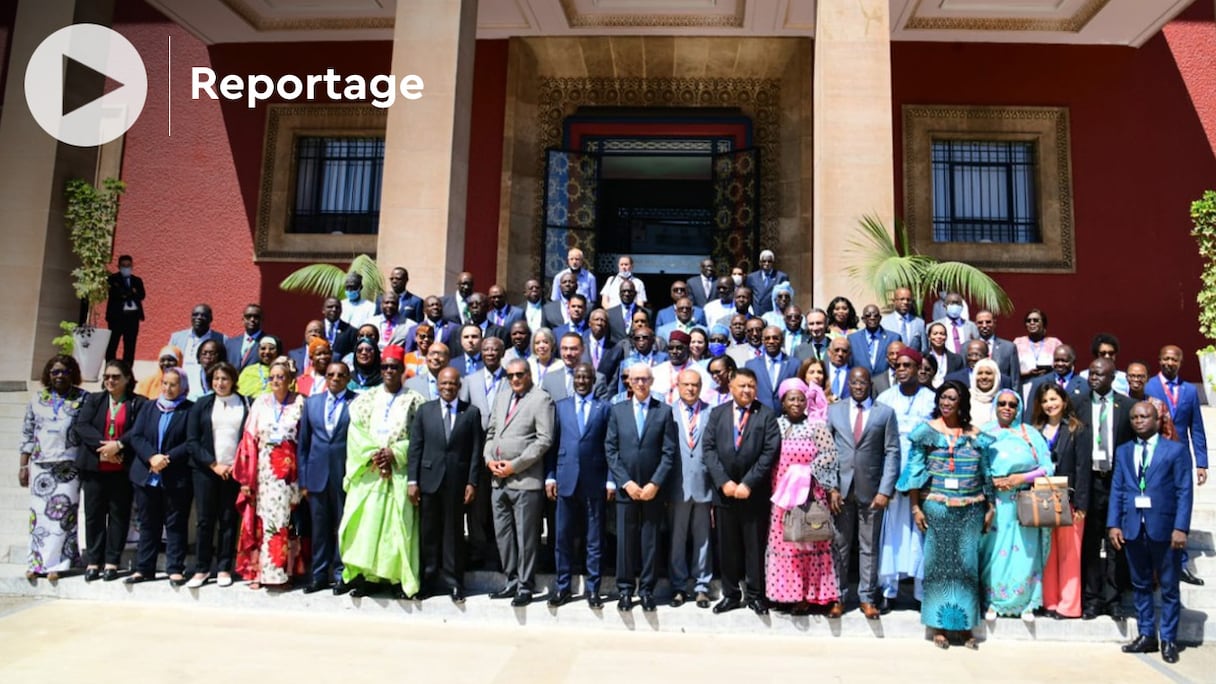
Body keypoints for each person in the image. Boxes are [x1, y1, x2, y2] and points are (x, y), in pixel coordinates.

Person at [898, 380, 995, 649]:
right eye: (943, 397)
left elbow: (986, 473)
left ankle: (964, 628)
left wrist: (991, 507)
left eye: (952, 398)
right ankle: (938, 626)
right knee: (939, 567)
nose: (946, 402)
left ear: (962, 402)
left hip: (971, 510)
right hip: (936, 508)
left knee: (966, 567)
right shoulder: (926, 432)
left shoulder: (976, 435)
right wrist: (916, 507)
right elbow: (915, 471)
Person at [338, 345, 425, 599]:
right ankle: (368, 577)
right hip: (370, 473)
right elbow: (356, 434)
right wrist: (375, 455)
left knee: (397, 529)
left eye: (394, 367)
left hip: (399, 475)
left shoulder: (416, 401)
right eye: (385, 366)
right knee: (366, 526)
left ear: (403, 370)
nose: (389, 371)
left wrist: (395, 453)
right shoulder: (365, 400)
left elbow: (420, 438)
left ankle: (397, 578)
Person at [1109, 402, 1192, 665]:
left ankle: (1168, 638)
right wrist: (1114, 524)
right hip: (1133, 527)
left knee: (1168, 587)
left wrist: (1181, 528)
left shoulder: (1176, 451)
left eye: (1145, 416)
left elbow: (1184, 491)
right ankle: (1147, 635)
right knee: (1140, 585)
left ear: (1157, 420)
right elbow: (1118, 490)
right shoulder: (1123, 452)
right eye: (1134, 417)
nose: (1139, 421)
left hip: (1166, 530)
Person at [702, 368, 781, 615]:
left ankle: (756, 595)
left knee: (754, 546)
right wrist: (724, 482)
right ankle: (731, 594)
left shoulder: (766, 415)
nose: (747, 390)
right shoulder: (717, 414)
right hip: (725, 493)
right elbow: (709, 449)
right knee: (727, 547)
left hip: (753, 494)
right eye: (742, 386)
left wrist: (748, 483)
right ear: (731, 387)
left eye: (751, 386)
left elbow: (770, 452)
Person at [828, 367, 901, 619]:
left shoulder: (885, 413)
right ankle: (837, 596)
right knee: (840, 544)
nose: (858, 386)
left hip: (872, 492)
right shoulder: (834, 410)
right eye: (854, 382)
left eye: (863, 382)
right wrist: (831, 487)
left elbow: (892, 452)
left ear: (870, 384)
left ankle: (867, 598)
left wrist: (885, 490)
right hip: (841, 491)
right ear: (848, 384)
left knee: (869, 547)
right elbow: (826, 452)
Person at [407, 367, 484, 603]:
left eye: (452, 384)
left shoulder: (471, 413)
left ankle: (454, 583)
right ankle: (428, 581)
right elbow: (415, 448)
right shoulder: (424, 411)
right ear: (437, 386)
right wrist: (412, 481)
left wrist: (472, 481)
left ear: (459, 386)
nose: (448, 388)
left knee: (454, 534)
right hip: (429, 480)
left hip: (457, 482)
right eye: (443, 384)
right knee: (428, 533)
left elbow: (475, 452)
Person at [604, 364, 676, 611]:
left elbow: (669, 452)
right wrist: (627, 482)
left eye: (645, 379)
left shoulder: (664, 412)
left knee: (650, 541)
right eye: (636, 379)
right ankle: (625, 590)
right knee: (625, 543)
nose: (641, 383)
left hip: (653, 490)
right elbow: (611, 450)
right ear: (629, 383)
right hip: (628, 489)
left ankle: (646, 590)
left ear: (652, 381)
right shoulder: (617, 411)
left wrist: (655, 483)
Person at [767, 378, 841, 615]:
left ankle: (809, 596)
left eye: (801, 399)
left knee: (809, 544)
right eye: (792, 399)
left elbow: (830, 455)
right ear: (783, 402)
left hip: (810, 496)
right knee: (786, 545)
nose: (797, 403)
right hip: (782, 497)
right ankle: (786, 594)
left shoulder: (816, 427)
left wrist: (807, 471)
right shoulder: (775, 425)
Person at [484, 358, 554, 606]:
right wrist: (489, 459)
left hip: (524, 480)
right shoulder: (502, 397)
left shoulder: (541, 399)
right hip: (498, 480)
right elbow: (492, 433)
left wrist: (515, 465)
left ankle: (526, 585)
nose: (515, 379)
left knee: (526, 537)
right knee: (503, 535)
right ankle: (511, 580)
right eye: (510, 375)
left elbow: (544, 440)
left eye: (519, 374)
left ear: (529, 374)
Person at [979, 389, 1054, 621]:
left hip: (1023, 503)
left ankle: (1026, 604)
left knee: (1025, 553)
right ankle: (992, 602)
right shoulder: (984, 433)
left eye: (1012, 404)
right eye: (1002, 403)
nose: (1007, 408)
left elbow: (1047, 467)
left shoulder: (1029, 434)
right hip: (995, 504)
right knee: (994, 553)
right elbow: (974, 464)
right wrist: (992, 481)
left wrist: (1021, 478)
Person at [233, 356, 305, 590]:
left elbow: (306, 440)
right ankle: (261, 572)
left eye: (281, 377)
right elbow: (248, 441)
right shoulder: (260, 403)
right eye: (272, 377)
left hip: (290, 475)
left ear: (290, 380)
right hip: (264, 474)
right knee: (263, 521)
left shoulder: (300, 403)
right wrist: (246, 478)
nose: (276, 381)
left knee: (287, 522)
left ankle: (287, 571)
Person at [1071, 357, 1134, 620]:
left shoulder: (1127, 406)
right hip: (1090, 481)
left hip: (1117, 483)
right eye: (1091, 374)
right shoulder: (1078, 405)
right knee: (1090, 542)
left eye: (1099, 374)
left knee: (1115, 541)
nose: (1093, 378)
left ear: (1112, 377)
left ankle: (1114, 599)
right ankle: (1093, 599)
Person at [546, 362, 613, 608]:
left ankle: (593, 590)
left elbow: (609, 446)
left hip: (595, 481)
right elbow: (552, 446)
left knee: (594, 540)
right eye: (578, 377)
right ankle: (562, 587)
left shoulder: (604, 408)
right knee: (562, 538)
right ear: (573, 379)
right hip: (565, 480)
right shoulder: (560, 407)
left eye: (587, 377)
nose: (582, 381)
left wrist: (610, 480)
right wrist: (550, 476)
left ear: (593, 380)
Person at [73, 359, 145, 582]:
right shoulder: (94, 400)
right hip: (94, 468)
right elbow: (82, 426)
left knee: (118, 516)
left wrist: (119, 445)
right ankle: (94, 561)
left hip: (122, 469)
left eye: (115, 377)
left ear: (127, 379)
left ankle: (112, 562)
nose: (110, 381)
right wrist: (104, 448)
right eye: (107, 377)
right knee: (94, 516)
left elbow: (138, 430)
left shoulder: (138, 403)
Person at [875, 347, 936, 607]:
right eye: (897, 366)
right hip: (893, 471)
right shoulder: (886, 398)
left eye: (906, 365)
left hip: (923, 474)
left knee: (921, 531)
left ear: (918, 368)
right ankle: (888, 590)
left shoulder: (932, 399)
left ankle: (922, 593)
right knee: (893, 532)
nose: (901, 370)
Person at [1144, 345, 1208, 586]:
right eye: (1166, 358)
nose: (1170, 362)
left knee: (1182, 508)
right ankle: (1155, 565)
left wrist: (1202, 462)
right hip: (1154, 458)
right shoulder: (1149, 387)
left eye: (1175, 359)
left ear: (1181, 362)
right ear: (1159, 360)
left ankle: (1180, 564)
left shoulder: (1190, 391)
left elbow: (1197, 429)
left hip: (1181, 459)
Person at [19, 355, 86, 580]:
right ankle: (36, 563)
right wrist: (23, 465)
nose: (59, 376)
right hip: (41, 466)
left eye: (64, 372)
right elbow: (28, 433)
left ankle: (57, 564)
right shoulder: (37, 399)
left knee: (63, 515)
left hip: (68, 467)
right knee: (38, 516)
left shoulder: (82, 398)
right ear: (48, 374)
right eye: (55, 372)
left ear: (72, 374)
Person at [126, 367, 194, 585]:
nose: (168, 388)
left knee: (175, 523)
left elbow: (191, 441)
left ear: (182, 386)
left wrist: (167, 458)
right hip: (147, 474)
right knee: (148, 523)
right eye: (165, 383)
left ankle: (175, 568)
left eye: (173, 384)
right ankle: (144, 568)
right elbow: (136, 436)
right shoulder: (149, 407)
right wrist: (151, 457)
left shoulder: (189, 409)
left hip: (175, 476)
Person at [1031, 382, 1092, 619]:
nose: (1049, 405)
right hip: (1042, 496)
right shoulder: (1036, 430)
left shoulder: (1078, 429)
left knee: (1069, 553)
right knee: (1047, 551)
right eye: (1045, 401)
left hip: (1070, 500)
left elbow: (1083, 468)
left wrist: (1082, 504)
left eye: (1054, 399)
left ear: (1064, 401)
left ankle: (1069, 605)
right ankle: (1050, 602)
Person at [297, 361, 357, 595]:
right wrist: (303, 481)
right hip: (316, 475)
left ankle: (342, 574)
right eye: (331, 374)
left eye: (340, 375)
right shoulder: (312, 404)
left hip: (344, 475)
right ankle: (319, 575)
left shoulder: (357, 403)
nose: (335, 378)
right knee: (320, 528)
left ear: (347, 377)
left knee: (344, 527)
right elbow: (303, 445)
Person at [185, 361, 246, 589]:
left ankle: (223, 567)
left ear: (233, 381)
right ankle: (201, 568)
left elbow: (247, 438)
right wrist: (213, 464)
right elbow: (192, 441)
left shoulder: (244, 403)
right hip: (206, 472)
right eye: (216, 379)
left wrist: (233, 466)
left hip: (233, 472)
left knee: (229, 520)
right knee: (204, 521)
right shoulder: (202, 404)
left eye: (225, 379)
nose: (220, 383)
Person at [667, 368, 715, 609]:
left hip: (704, 485)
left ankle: (702, 586)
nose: (690, 389)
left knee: (703, 538)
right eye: (686, 384)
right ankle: (678, 586)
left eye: (695, 385)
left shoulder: (710, 412)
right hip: (678, 485)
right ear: (678, 385)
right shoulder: (669, 413)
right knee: (677, 538)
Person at [745, 326, 800, 409]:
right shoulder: (751, 365)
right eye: (767, 338)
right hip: (760, 415)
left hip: (785, 415)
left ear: (782, 340)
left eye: (775, 338)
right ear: (762, 341)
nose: (771, 341)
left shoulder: (794, 364)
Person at [104, 254, 146, 363]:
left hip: (132, 318)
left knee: (130, 346)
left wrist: (129, 293)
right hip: (116, 317)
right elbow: (116, 294)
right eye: (123, 265)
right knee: (112, 345)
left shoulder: (137, 280)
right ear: (118, 266)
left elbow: (141, 295)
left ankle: (127, 372)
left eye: (128, 265)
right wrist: (132, 292)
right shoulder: (112, 279)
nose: (126, 268)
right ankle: (109, 370)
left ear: (132, 266)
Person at [848, 304, 903, 378]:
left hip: (885, 384)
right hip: (861, 384)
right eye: (868, 315)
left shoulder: (893, 338)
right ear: (863, 319)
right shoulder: (853, 339)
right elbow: (850, 365)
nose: (872, 318)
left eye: (875, 315)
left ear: (880, 318)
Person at [170, 304, 225, 377]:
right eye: (195, 315)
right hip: (182, 383)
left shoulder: (221, 339)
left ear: (211, 318)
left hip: (207, 384)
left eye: (203, 315)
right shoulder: (176, 338)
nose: (199, 317)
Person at [1012, 308, 1061, 386]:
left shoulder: (1055, 343)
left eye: (1035, 320)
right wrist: (1028, 374)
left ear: (1043, 323)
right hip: (1025, 385)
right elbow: (1011, 370)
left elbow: (1062, 366)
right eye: (1029, 321)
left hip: (1049, 385)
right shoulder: (1018, 342)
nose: (1032, 323)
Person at [974, 310, 1020, 390]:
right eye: (980, 322)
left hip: (1001, 394)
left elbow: (1015, 380)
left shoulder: (1009, 347)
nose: (984, 325)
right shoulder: (967, 347)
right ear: (976, 324)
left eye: (988, 322)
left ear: (994, 323)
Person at [224, 304, 270, 371]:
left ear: (262, 319)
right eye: (248, 316)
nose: (252, 319)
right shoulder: (230, 343)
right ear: (243, 319)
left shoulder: (268, 342)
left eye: (256, 316)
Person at [881, 287, 925, 353]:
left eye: (908, 300)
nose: (905, 302)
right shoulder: (884, 323)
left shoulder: (919, 323)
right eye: (902, 299)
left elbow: (924, 349)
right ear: (894, 301)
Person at [746, 250, 788, 316]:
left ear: (773, 263)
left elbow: (785, 297)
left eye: (769, 261)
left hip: (774, 314)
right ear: (760, 263)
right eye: (764, 261)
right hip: (757, 314)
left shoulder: (781, 277)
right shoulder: (751, 277)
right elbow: (748, 295)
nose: (767, 263)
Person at [605, 280, 648, 345]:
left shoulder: (646, 313)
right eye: (624, 291)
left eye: (629, 291)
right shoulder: (609, 313)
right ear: (619, 294)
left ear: (635, 293)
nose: (626, 294)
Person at [924, 322, 964, 388]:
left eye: (942, 334)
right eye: (935, 334)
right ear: (929, 337)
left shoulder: (957, 359)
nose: (939, 337)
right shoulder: (922, 357)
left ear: (946, 337)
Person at [968, 358, 1002, 426]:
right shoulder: (966, 397)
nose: (984, 377)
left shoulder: (1003, 400)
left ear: (996, 376)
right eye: (980, 373)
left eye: (988, 373)